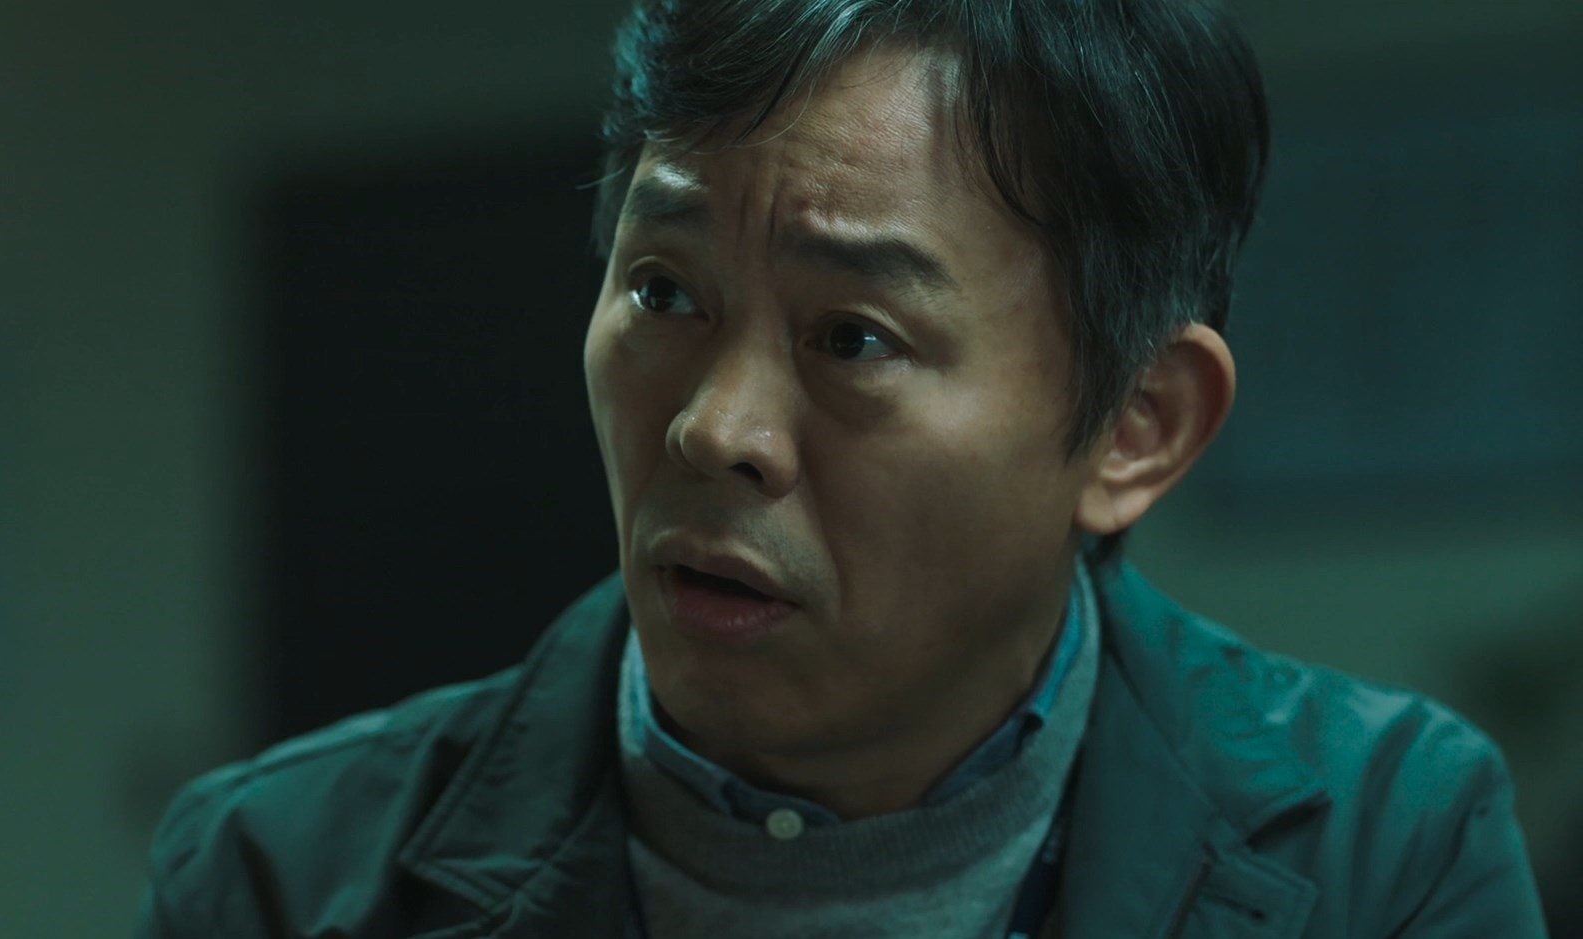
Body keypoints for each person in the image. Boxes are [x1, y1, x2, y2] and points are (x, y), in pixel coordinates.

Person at [133, 0, 1549, 935]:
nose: (714, 431)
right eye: (664, 294)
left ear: (1139, 425)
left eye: (853, 338)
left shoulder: (1382, 853)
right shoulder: (283, 878)